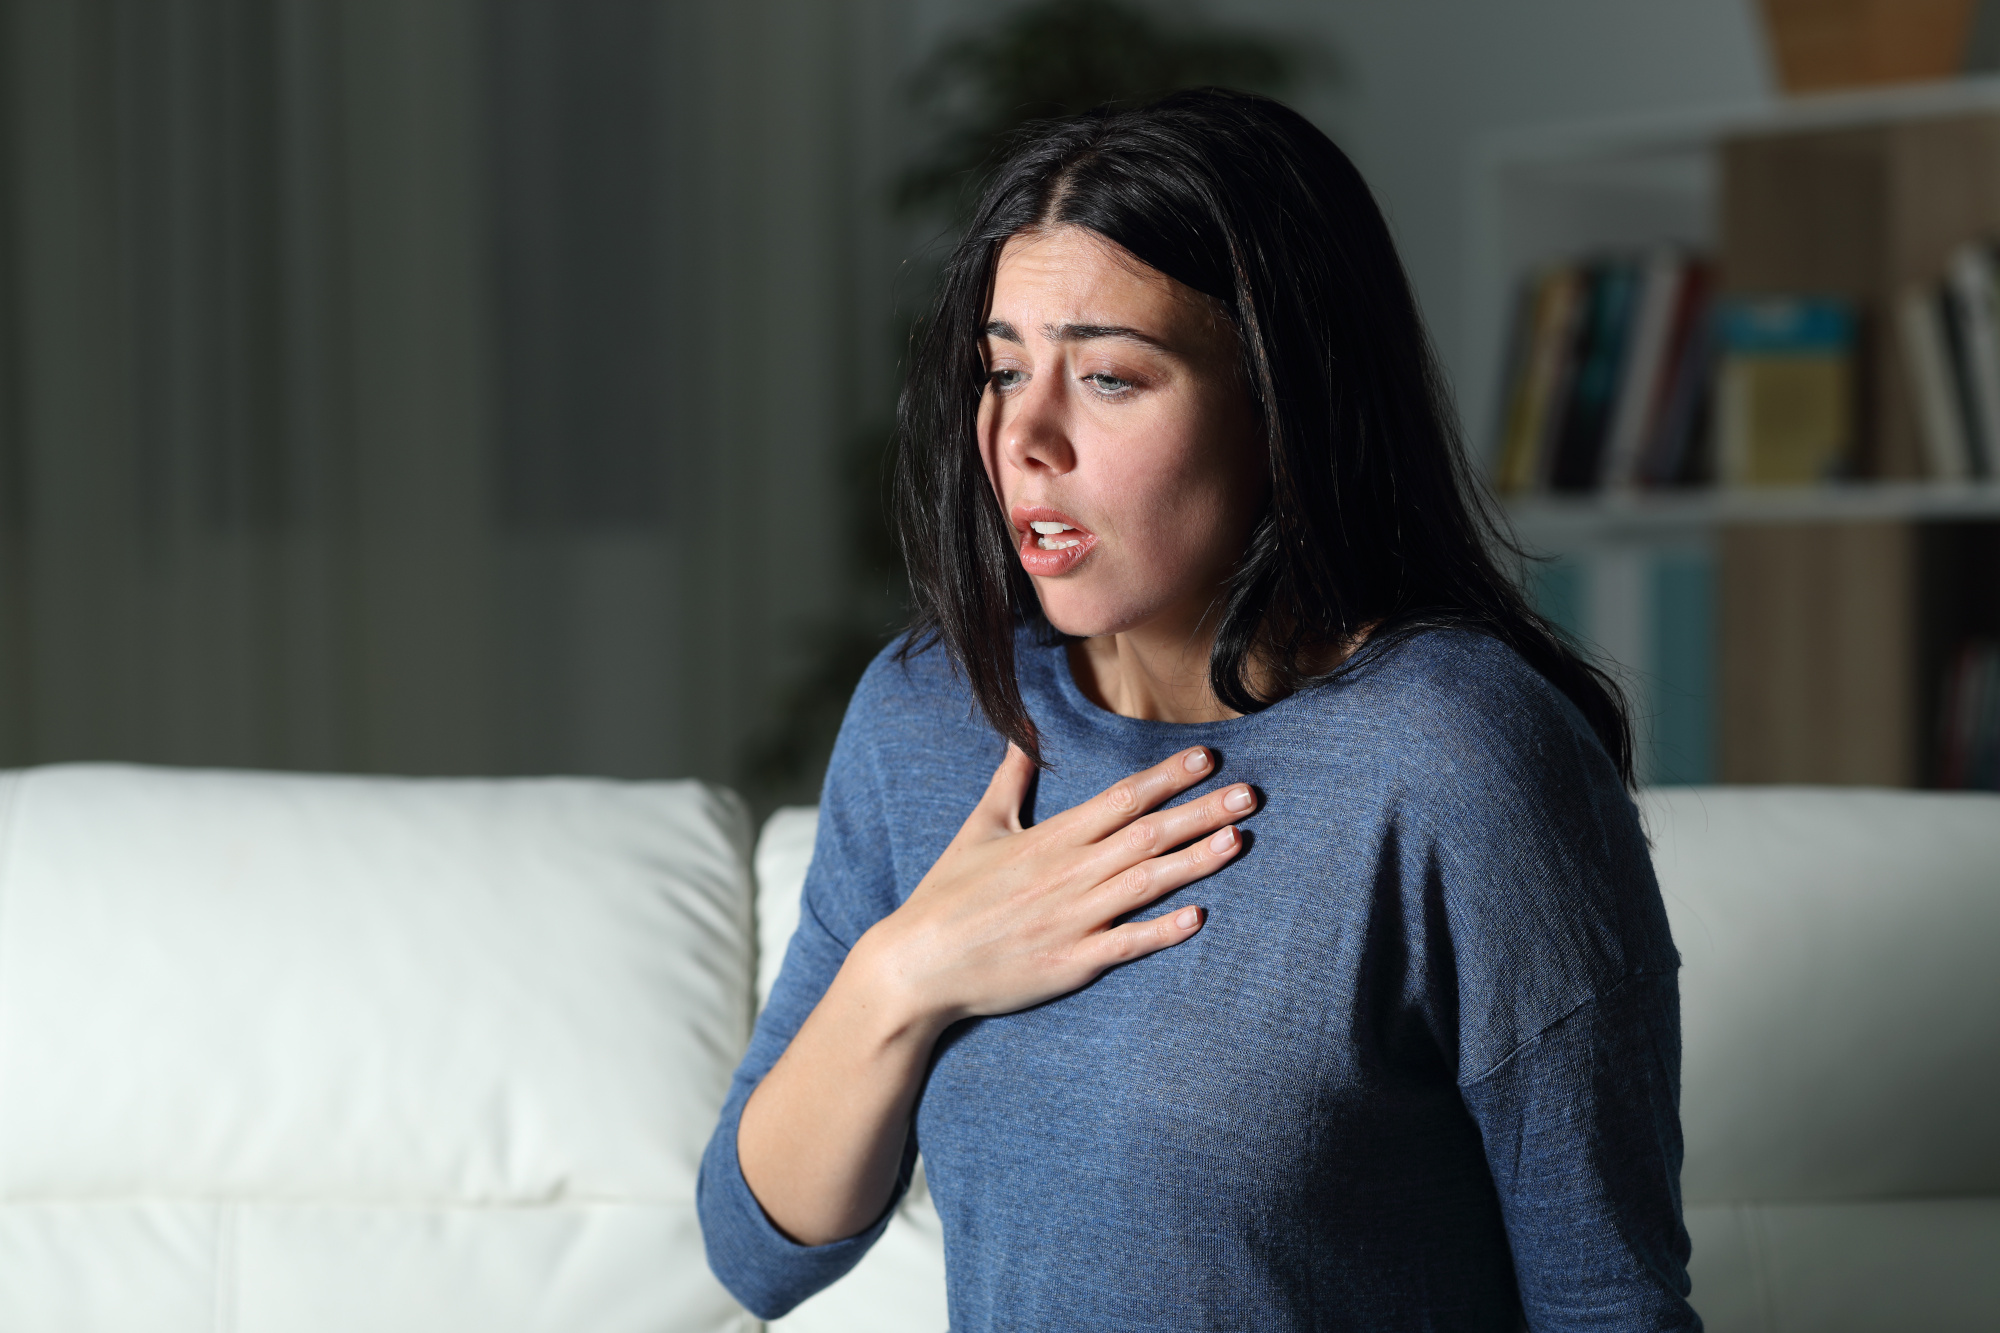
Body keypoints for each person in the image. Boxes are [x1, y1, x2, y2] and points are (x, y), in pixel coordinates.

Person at [699, 88, 1696, 1331]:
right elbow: (756, 1250)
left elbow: (1610, 1309)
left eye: (1110, 377)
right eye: (1002, 370)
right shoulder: (930, 714)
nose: (1024, 438)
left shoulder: (1457, 758)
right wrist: (914, 967)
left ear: (1283, 401)